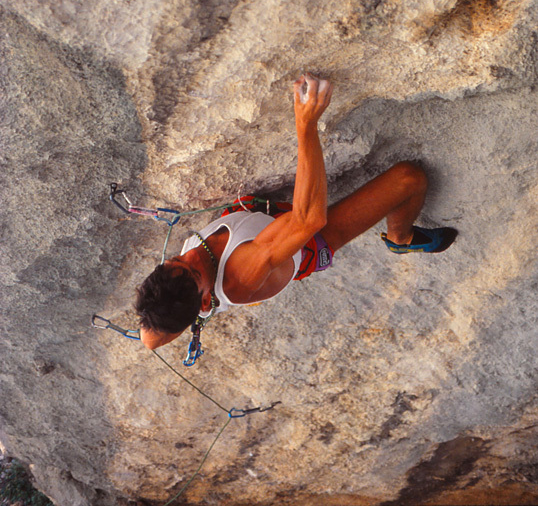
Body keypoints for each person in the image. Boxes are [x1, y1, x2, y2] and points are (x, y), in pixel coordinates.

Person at [136, 74, 455, 350]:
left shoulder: (176, 291)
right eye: (194, 272)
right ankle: (401, 237)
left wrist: (161, 313)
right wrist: (306, 124)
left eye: (176, 260)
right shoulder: (240, 276)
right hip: (308, 242)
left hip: (264, 218)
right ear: (206, 300)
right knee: (408, 179)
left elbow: (149, 340)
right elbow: (309, 219)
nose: (191, 256)